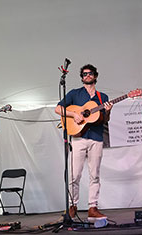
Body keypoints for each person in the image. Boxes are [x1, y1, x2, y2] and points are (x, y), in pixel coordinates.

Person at [55, 64, 113, 222]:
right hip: (78, 137)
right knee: (74, 175)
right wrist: (74, 114)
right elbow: (58, 109)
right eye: (84, 74)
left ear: (95, 76)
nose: (87, 76)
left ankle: (92, 208)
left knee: (95, 175)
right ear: (81, 77)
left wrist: (107, 111)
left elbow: (105, 119)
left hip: (96, 138)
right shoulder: (74, 94)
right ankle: (72, 206)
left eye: (90, 73)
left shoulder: (103, 97)